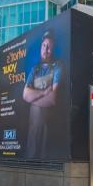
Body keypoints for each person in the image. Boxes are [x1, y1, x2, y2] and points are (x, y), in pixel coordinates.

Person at [23, 30, 63, 158]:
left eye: (49, 47)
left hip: (49, 127)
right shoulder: (35, 69)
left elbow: (52, 99)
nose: (46, 49)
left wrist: (32, 97)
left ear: (53, 49)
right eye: (44, 45)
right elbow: (24, 95)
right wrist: (44, 92)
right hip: (33, 128)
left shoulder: (58, 66)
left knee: (44, 156)